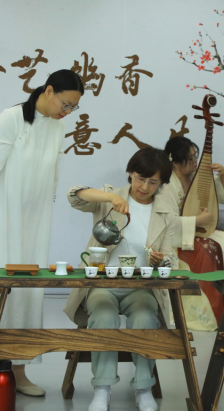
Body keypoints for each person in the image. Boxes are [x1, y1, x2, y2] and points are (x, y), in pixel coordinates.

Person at [0, 69, 84, 397]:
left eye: (73, 107)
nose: (67, 111)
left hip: (33, 222)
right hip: (1, 219)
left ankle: (19, 370)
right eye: (65, 103)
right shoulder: (12, 119)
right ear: (48, 90)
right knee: (0, 289)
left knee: (28, 291)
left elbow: (50, 176)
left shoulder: (57, 127)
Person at [63, 147, 176, 411]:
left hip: (140, 286)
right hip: (104, 283)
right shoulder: (109, 199)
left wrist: (161, 260)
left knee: (146, 317)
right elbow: (74, 195)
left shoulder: (166, 213)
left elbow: (171, 259)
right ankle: (102, 390)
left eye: (152, 182)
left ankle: (144, 388)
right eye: (140, 178)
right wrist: (111, 196)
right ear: (130, 173)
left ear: (161, 183)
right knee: (103, 315)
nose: (144, 187)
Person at [162, 136, 224, 331]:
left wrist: (223, 175)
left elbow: (223, 198)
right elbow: (166, 223)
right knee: (207, 250)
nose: (195, 161)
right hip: (174, 238)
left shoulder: (195, 177)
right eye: (190, 158)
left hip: (194, 231)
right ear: (175, 162)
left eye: (195, 156)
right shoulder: (165, 185)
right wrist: (197, 221)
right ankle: (207, 312)